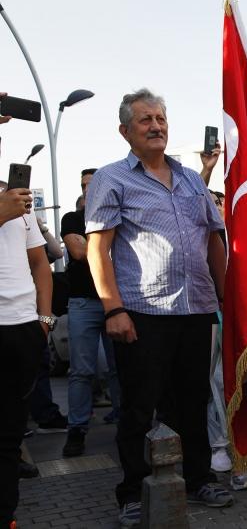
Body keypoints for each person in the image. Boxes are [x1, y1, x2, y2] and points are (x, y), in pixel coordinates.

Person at [84, 88, 232, 526]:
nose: (156, 126)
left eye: (161, 119)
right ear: (125, 130)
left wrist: (225, 299)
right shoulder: (113, 178)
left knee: (194, 400)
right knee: (138, 407)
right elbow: (99, 249)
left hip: (197, 308)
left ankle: (198, 478)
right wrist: (113, 309)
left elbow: (214, 239)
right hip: (142, 312)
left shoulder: (189, 178)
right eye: (146, 120)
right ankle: (132, 492)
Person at [0, 109, 55, 528]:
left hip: (22, 328)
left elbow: (40, 263)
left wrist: (44, 318)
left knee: (9, 433)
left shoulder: (15, 201)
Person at [61, 168, 121, 458]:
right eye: (84, 185)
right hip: (83, 303)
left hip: (116, 301)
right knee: (81, 371)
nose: (88, 189)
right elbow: (80, 252)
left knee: (118, 368)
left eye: (93, 184)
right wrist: (105, 248)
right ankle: (77, 430)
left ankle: (126, 425)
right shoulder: (71, 218)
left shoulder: (117, 215)